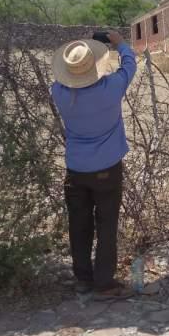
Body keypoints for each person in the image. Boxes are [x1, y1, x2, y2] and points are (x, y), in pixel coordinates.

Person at [51, 30, 136, 298]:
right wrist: (119, 43)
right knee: (107, 223)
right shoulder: (112, 88)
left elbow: (63, 77)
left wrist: (78, 52)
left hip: (76, 169)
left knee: (79, 224)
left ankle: (83, 279)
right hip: (107, 168)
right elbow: (129, 64)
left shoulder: (59, 92)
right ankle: (104, 282)